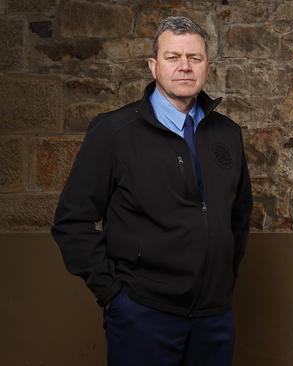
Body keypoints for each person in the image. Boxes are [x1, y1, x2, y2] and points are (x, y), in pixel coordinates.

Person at [51, 16, 252, 366]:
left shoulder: (227, 134)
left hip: (213, 318)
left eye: (195, 58)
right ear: (153, 66)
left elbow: (239, 216)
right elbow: (71, 221)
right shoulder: (115, 132)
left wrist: (221, 284)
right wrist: (115, 295)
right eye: (173, 57)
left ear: (208, 66)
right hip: (143, 315)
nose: (185, 67)